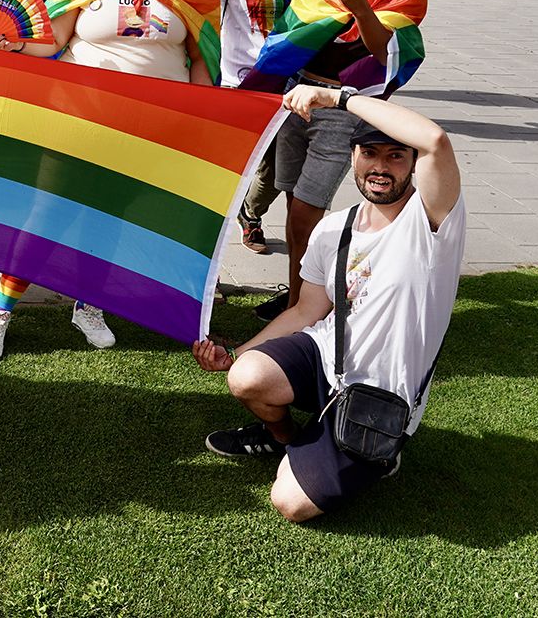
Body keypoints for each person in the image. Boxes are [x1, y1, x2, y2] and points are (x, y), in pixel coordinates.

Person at [0, 0, 218, 361]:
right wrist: (14, 44)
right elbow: (54, 36)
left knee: (112, 218)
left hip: (151, 121)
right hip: (80, 115)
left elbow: (201, 54)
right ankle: (0, 310)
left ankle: (88, 303)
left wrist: (198, 114)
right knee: (48, 212)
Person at [194, 88, 463, 522]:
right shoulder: (334, 229)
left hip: (382, 392)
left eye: (396, 156)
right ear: (352, 156)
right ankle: (286, 438)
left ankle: (371, 452)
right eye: (369, 153)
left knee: (290, 503)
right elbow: (304, 312)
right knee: (248, 377)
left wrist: (335, 97)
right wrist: (236, 355)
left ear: (414, 164)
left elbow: (435, 140)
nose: (380, 167)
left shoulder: (432, 221)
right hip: (326, 358)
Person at [239, 0, 429, 323]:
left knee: (308, 208)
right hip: (296, 91)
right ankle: (297, 298)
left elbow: (384, 47)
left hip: (345, 103)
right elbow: (300, 23)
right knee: (292, 201)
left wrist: (360, 6)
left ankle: (304, 308)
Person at [220, 0, 312, 253]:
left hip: (288, 84)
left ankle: (251, 215)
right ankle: (216, 257)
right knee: (228, 174)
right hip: (237, 83)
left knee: (277, 170)